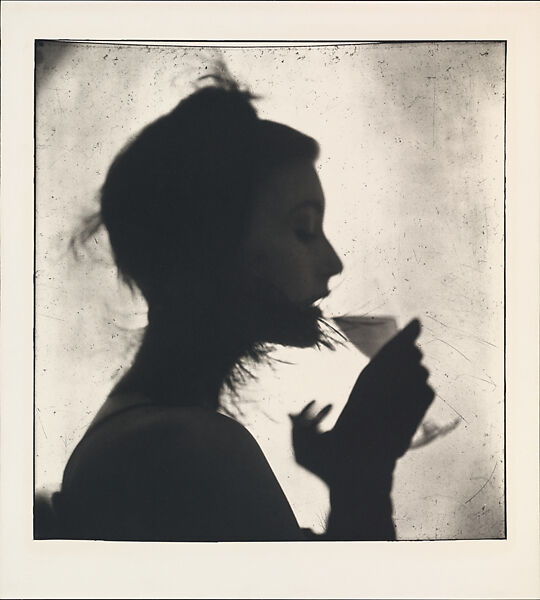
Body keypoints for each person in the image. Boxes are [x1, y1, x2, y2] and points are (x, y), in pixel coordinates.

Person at [36, 75, 434, 541]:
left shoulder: (151, 430)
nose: (333, 262)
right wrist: (364, 472)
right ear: (207, 248)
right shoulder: (186, 448)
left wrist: (344, 469)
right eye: (304, 229)